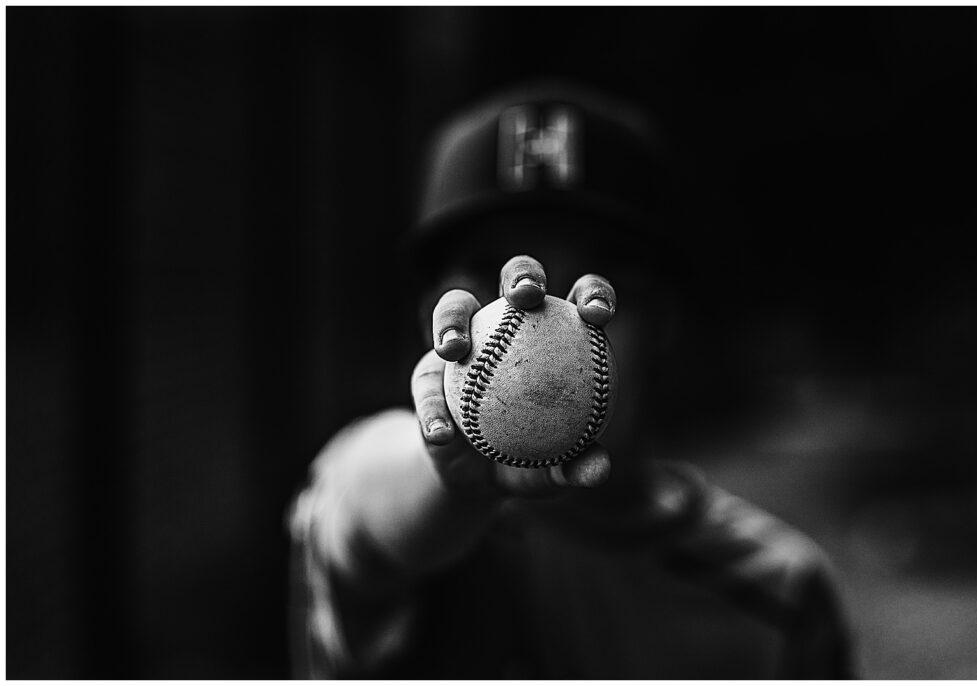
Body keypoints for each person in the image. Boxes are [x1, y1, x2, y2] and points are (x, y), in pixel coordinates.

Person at [287, 81, 855, 679]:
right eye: (485, 270)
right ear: (431, 308)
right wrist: (445, 475)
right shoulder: (414, 538)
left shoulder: (780, 589)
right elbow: (358, 508)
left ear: (662, 315)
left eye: (597, 266)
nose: (539, 307)